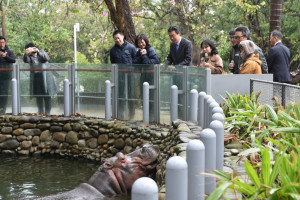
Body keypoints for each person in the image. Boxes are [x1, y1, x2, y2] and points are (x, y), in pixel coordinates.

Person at [110, 30, 137, 120]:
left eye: (118, 38)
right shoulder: (113, 50)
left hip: (130, 75)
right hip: (119, 76)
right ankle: (120, 114)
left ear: (123, 36)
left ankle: (131, 115)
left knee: (131, 95)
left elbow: (136, 61)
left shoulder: (131, 47)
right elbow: (113, 63)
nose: (117, 40)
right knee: (120, 94)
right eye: (115, 39)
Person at [23, 43, 58, 115]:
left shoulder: (41, 52)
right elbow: (26, 61)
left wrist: (37, 52)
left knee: (47, 95)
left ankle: (48, 113)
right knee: (38, 96)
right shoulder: (28, 56)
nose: (31, 50)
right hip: (36, 76)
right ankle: (40, 112)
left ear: (35, 47)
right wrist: (26, 54)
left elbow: (47, 58)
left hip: (46, 76)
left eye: (32, 48)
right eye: (28, 49)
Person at [133, 34, 160, 122]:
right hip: (143, 77)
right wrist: (141, 55)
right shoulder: (139, 51)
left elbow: (154, 63)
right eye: (139, 43)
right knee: (144, 97)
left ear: (145, 41)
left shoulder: (151, 50)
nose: (141, 44)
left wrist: (144, 56)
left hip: (151, 78)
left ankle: (151, 118)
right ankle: (146, 117)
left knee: (151, 98)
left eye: (142, 42)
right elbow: (134, 62)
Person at [0, 36, 16, 114]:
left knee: (4, 93)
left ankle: (3, 110)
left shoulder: (9, 52)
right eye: (0, 42)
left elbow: (13, 60)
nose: (1, 44)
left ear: (5, 42)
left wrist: (5, 56)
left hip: (6, 76)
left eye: (3, 42)